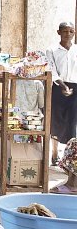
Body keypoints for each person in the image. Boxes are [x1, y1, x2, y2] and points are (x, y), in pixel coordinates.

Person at [47, 21, 77, 164]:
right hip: (58, 87)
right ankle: (54, 154)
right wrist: (63, 85)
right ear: (58, 32)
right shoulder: (52, 50)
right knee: (57, 121)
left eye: (71, 31)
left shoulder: (76, 50)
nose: (68, 34)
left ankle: (69, 158)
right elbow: (51, 70)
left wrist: (71, 88)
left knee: (72, 122)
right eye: (65, 31)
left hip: (75, 88)